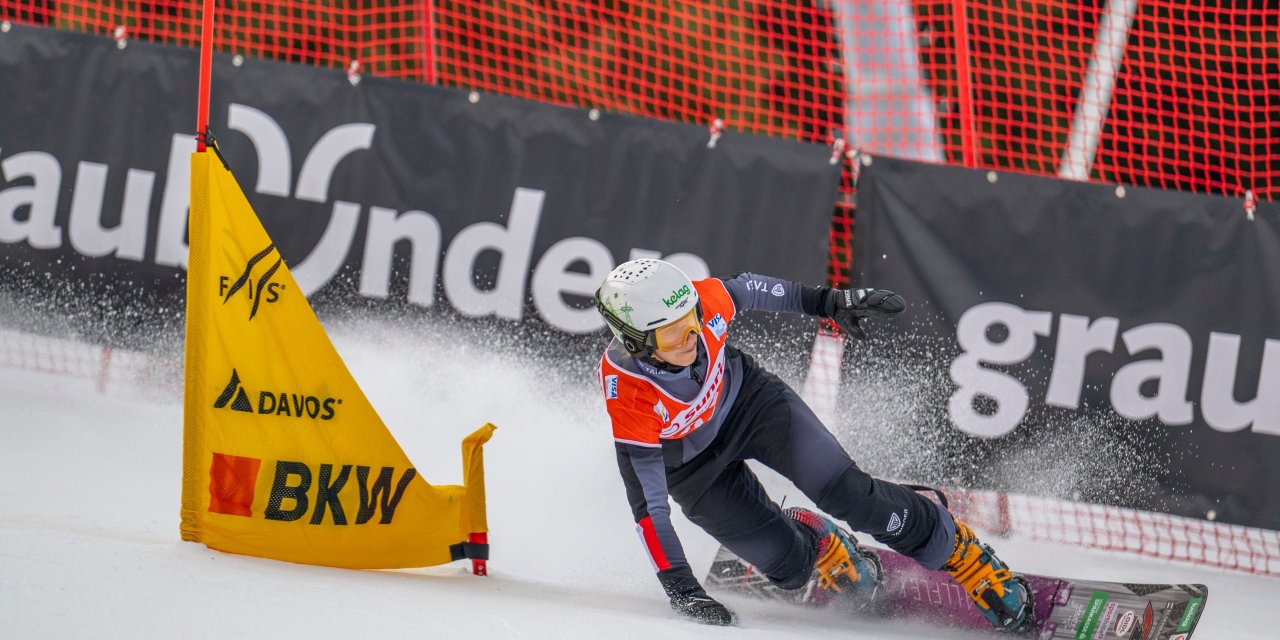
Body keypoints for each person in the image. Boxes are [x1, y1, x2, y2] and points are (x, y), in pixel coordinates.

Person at [594, 259, 1031, 631]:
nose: (690, 339)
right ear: (635, 343)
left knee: (852, 497)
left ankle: (961, 552)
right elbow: (649, 508)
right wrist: (682, 589)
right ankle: (822, 542)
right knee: (789, 569)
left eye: (690, 322)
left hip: (750, 405)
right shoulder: (627, 394)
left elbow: (752, 289)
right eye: (671, 335)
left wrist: (828, 302)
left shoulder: (703, 301)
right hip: (692, 469)